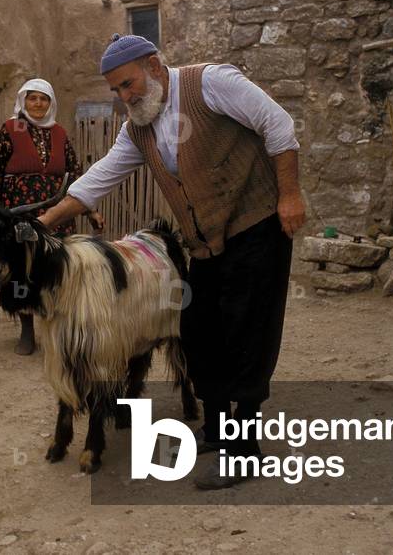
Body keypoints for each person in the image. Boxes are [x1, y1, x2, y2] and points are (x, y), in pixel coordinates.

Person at [36, 34, 305, 490]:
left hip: (257, 227)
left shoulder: (210, 84)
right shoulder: (138, 128)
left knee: (247, 336)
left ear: (156, 66)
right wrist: (45, 222)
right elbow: (99, 177)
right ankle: (219, 430)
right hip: (204, 245)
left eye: (129, 84)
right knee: (199, 334)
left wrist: (291, 194)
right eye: (117, 91)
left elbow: (278, 125)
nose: (125, 97)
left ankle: (244, 451)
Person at [0, 78, 102, 355]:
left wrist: (91, 208)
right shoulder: (11, 129)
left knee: (54, 267)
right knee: (22, 267)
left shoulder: (59, 133)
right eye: (32, 98)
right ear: (23, 101)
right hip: (18, 211)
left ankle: (56, 328)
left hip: (56, 213)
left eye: (43, 99)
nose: (38, 104)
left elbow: (77, 173)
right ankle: (26, 329)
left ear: (51, 103)